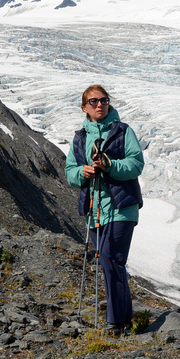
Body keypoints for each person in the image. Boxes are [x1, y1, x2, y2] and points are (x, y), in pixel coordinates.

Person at [66, 84, 144, 336]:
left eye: (104, 100)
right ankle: (126, 320)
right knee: (112, 263)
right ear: (84, 107)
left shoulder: (122, 131)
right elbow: (70, 172)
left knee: (111, 258)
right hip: (95, 211)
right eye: (94, 101)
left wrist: (109, 165)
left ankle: (114, 322)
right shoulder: (80, 137)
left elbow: (135, 163)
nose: (100, 105)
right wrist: (83, 172)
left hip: (121, 208)